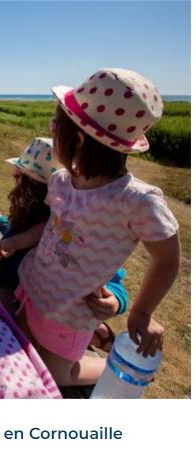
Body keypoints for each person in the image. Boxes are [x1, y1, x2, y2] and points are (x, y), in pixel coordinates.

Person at [14, 68, 180, 387]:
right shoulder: (62, 180)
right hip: (35, 287)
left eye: (53, 127)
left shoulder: (135, 200)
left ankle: (112, 365)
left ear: (76, 139)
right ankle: (92, 337)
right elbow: (54, 226)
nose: (51, 132)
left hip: (70, 313)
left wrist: (142, 312)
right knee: (22, 345)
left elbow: (167, 257)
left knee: (57, 376)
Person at [0, 137, 127, 352]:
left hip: (41, 305)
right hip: (19, 289)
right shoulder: (31, 213)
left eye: (20, 177)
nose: (14, 179)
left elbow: (107, 273)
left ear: (34, 188)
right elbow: (18, 233)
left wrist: (116, 299)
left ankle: (99, 334)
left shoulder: (63, 227)